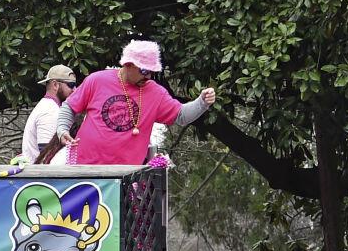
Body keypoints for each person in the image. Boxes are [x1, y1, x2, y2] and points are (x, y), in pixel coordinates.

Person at [52, 40, 215, 165]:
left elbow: (181, 116)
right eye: (144, 71)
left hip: (126, 177)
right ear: (128, 65)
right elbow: (69, 107)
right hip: (84, 168)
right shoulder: (97, 80)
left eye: (151, 72)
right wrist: (62, 130)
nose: (148, 76)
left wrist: (202, 102)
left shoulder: (156, 92)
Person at [19, 65, 76, 163]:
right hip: (41, 175)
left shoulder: (48, 106)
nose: (74, 89)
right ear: (55, 85)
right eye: (70, 85)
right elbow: (46, 157)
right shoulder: (50, 111)